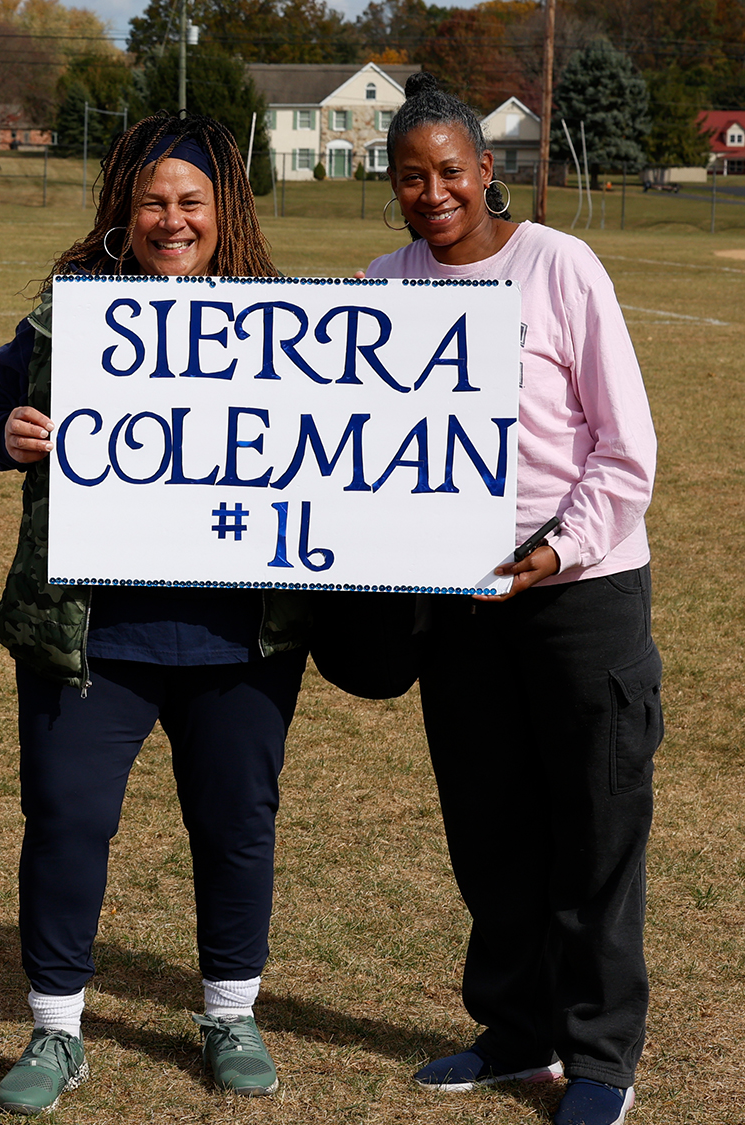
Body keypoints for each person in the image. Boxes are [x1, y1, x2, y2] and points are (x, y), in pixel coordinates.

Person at [0, 113, 307, 1114]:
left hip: (238, 632)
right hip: (91, 629)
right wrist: (8, 431)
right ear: (122, 207)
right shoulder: (69, 318)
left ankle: (229, 1010)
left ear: (222, 209)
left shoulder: (281, 320)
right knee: (66, 820)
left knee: (235, 824)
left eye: (190, 201)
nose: (171, 220)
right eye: (152, 200)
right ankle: (56, 1030)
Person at [363, 75, 661, 1125]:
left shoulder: (558, 266)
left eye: (449, 170)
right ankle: (514, 1034)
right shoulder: (379, 287)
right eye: (410, 175)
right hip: (455, 605)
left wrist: (550, 552)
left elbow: (625, 453)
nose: (431, 191)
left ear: (486, 171)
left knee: (591, 829)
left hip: (577, 594)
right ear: (390, 185)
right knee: (489, 829)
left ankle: (597, 1059)